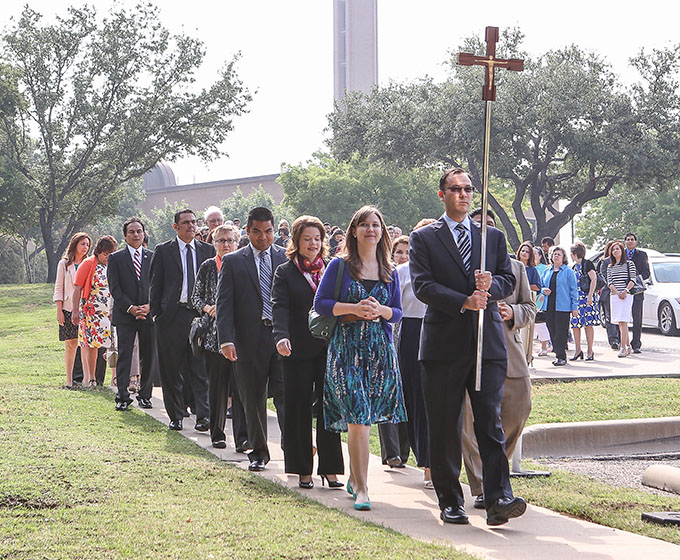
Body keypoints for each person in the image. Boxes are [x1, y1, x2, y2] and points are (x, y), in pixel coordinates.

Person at [409, 168, 525, 526]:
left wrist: (493, 284)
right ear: (441, 194)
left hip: (485, 344)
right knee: (445, 425)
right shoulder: (424, 238)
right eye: (455, 189)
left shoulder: (492, 237)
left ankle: (498, 498)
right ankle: (450, 500)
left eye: (468, 189)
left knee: (489, 423)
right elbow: (422, 286)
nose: (463, 195)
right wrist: (464, 300)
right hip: (444, 345)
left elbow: (508, 279)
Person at [314, 205, 406, 512]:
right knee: (358, 420)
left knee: (365, 419)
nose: (371, 230)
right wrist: (352, 308)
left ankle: (356, 477)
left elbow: (398, 312)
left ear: (382, 233)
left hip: (380, 352)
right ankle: (363, 488)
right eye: (364, 225)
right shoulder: (339, 266)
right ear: (354, 230)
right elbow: (322, 304)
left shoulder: (389, 270)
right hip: (346, 351)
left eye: (376, 225)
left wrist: (381, 311)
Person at [463, 209, 535, 509]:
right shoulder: (461, 265)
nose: (485, 231)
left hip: (510, 353)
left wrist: (513, 313)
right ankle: (482, 486)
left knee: (518, 412)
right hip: (473, 354)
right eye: (479, 226)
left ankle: (496, 472)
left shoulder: (515, 268)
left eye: (490, 226)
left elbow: (530, 308)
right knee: (470, 423)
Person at [272, 215, 344, 489]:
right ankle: (303, 469)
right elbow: (279, 306)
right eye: (307, 239)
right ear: (296, 241)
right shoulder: (285, 271)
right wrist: (281, 336)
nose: (313, 244)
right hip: (296, 349)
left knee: (329, 408)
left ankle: (331, 469)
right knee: (298, 408)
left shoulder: (330, 269)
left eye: (317, 239)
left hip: (327, 347)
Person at [216, 206, 286, 472]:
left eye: (268, 231)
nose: (264, 237)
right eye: (257, 232)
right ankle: (258, 452)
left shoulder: (284, 258)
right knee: (253, 398)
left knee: (285, 396)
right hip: (247, 341)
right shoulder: (234, 261)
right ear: (247, 231)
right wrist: (226, 339)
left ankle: (292, 448)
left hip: (281, 339)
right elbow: (224, 304)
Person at [149, 209, 215, 431]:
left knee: (200, 367)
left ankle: (203, 415)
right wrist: (158, 314)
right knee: (171, 368)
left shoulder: (207, 250)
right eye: (185, 223)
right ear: (175, 227)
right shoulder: (164, 251)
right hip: (172, 317)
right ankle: (176, 415)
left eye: (193, 222)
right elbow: (155, 285)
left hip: (199, 316)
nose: (191, 226)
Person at [191, 224, 247, 449]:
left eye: (230, 240)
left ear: (237, 242)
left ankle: (242, 437)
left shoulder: (243, 264)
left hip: (241, 337)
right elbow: (195, 297)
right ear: (213, 244)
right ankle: (217, 432)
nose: (226, 244)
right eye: (221, 240)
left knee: (241, 389)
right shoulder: (207, 267)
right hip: (214, 339)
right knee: (217, 388)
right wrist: (207, 308)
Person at [394, 219, 435, 487]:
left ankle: (433, 464)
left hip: (440, 329)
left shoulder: (445, 270)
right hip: (410, 332)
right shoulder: (401, 272)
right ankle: (422, 459)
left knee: (433, 401)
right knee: (414, 398)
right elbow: (395, 309)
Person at [107, 218, 155, 411]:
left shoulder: (152, 257)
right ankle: (123, 396)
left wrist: (149, 306)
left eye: (139, 231)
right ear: (125, 235)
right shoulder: (116, 258)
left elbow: (157, 285)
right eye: (132, 232)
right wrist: (131, 308)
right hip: (126, 315)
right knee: (125, 355)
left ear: (144, 234)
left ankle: (145, 395)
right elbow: (115, 288)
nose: (136, 235)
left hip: (148, 314)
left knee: (148, 357)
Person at [377, 234, 411, 470]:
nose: (403, 256)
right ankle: (391, 452)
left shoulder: (417, 274)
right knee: (387, 394)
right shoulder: (386, 274)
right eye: (399, 251)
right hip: (387, 337)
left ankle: (404, 450)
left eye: (408, 252)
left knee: (406, 396)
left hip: (408, 337)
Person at [72, 235, 118, 388]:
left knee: (111, 344)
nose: (108, 257)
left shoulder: (112, 265)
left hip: (108, 311)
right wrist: (75, 311)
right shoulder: (88, 263)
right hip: (91, 310)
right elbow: (77, 287)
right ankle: (90, 378)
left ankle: (114, 378)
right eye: (106, 254)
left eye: (111, 254)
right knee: (91, 345)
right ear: (99, 252)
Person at [54, 232, 92, 389]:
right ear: (75, 244)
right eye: (82, 244)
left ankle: (86, 379)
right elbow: (59, 288)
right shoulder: (64, 264)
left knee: (85, 345)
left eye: (88, 245)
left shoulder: (89, 263)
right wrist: (59, 310)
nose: (85, 247)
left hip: (86, 309)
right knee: (71, 345)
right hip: (68, 308)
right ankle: (69, 380)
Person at [539, 247, 578, 366]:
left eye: (559, 254)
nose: (556, 256)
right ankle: (557, 353)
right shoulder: (547, 271)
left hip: (563, 307)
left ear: (563, 258)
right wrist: (543, 289)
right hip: (548, 306)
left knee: (561, 332)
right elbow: (540, 285)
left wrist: (574, 306)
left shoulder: (568, 272)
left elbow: (573, 290)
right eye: (554, 254)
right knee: (552, 330)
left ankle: (561, 356)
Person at [607, 240, 637, 358]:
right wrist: (617, 292)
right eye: (613, 249)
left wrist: (625, 291)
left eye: (617, 249)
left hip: (626, 295)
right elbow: (610, 282)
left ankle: (623, 347)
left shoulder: (629, 264)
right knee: (619, 322)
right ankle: (628, 345)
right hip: (615, 296)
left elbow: (633, 279)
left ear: (622, 251)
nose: (615, 251)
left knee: (624, 321)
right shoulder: (610, 266)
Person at [570, 242, 599, 361]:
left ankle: (590, 350)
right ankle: (578, 350)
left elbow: (594, 278)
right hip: (576, 299)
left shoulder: (587, 264)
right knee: (576, 325)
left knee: (588, 324)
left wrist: (590, 295)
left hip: (586, 298)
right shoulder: (573, 267)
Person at [624, 233, 649, 353]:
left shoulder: (642, 255)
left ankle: (636, 344)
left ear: (636, 242)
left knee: (637, 317)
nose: (630, 241)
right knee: (622, 317)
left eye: (632, 240)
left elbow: (646, 272)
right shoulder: (620, 253)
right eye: (628, 240)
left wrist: (636, 279)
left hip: (637, 290)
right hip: (623, 289)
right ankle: (622, 342)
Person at [516, 241, 541, 364]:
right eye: (523, 251)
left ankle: (526, 356)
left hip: (526, 301)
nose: (524, 253)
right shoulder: (512, 266)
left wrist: (524, 286)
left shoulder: (532, 270)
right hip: (513, 301)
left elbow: (537, 286)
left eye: (527, 252)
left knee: (526, 331)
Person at [598, 241, 621, 349]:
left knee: (620, 317)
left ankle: (621, 338)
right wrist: (613, 287)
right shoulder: (605, 262)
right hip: (608, 293)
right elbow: (603, 276)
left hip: (621, 293)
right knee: (610, 317)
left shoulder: (624, 262)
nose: (615, 251)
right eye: (613, 249)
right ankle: (613, 340)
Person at [533, 246, 552, 357]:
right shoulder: (525, 267)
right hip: (527, 298)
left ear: (540, 256)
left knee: (540, 324)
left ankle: (544, 346)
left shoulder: (544, 269)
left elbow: (546, 284)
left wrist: (543, 289)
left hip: (540, 299)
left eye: (535, 254)